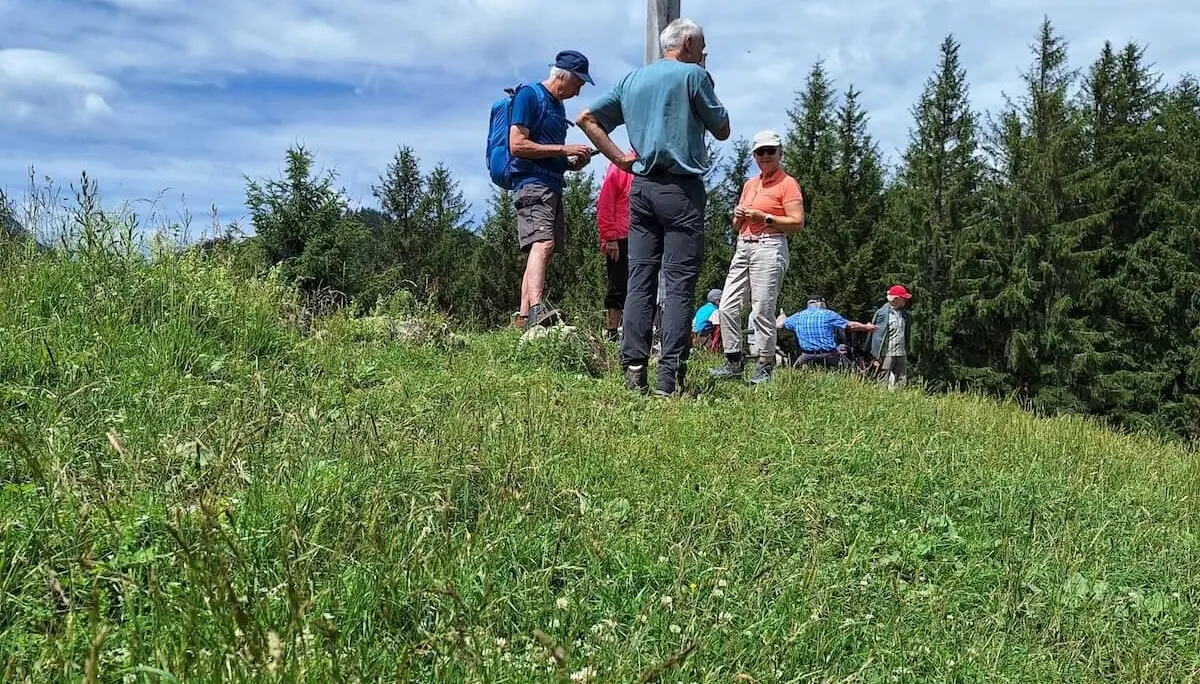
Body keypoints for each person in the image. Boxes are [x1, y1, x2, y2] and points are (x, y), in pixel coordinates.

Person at [577, 17, 730, 396]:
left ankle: (633, 373)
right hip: (681, 190)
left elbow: (587, 118)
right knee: (677, 284)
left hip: (641, 190)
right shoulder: (693, 76)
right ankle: (669, 379)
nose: (703, 53)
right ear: (690, 43)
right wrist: (704, 76)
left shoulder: (632, 80)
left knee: (639, 281)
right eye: (702, 46)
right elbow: (722, 127)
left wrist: (619, 159)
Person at [709, 130, 805, 385]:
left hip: (770, 245)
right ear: (754, 155)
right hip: (744, 245)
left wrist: (765, 218)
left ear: (780, 153)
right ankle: (733, 361)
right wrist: (739, 215)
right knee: (727, 305)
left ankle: (764, 365)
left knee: (762, 307)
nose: (765, 156)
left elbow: (797, 222)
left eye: (770, 151)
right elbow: (735, 225)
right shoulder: (750, 184)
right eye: (760, 152)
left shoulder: (788, 183)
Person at [509, 50, 596, 330]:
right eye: (578, 84)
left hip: (551, 185)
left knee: (544, 247)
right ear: (563, 76)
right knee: (543, 244)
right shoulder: (529, 96)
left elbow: (549, 153)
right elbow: (517, 145)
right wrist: (564, 148)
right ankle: (536, 311)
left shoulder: (557, 107)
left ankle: (523, 318)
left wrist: (572, 163)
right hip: (532, 185)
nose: (578, 91)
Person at [777, 295, 877, 368]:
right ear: (820, 303)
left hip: (807, 355)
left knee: (795, 373)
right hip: (829, 355)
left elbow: (779, 324)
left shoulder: (798, 317)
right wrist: (866, 327)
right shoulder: (828, 314)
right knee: (850, 371)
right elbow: (850, 325)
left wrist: (782, 317)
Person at [596, 163, 633, 341]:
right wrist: (609, 237)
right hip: (619, 237)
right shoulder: (621, 166)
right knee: (618, 285)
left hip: (642, 236)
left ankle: (632, 332)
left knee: (638, 287)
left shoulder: (652, 164)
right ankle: (611, 332)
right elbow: (605, 201)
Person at [869, 285, 913, 389]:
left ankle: (900, 399)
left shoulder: (903, 314)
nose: (906, 300)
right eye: (904, 298)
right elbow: (876, 336)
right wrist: (877, 355)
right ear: (896, 299)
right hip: (887, 353)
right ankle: (881, 399)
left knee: (902, 379)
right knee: (883, 378)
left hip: (901, 352)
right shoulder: (882, 314)